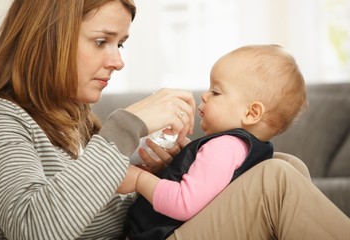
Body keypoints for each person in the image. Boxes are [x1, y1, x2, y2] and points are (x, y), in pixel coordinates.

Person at [0, 1, 196, 239]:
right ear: (48, 38)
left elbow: (96, 221)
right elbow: (34, 228)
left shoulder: (76, 120)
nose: (118, 62)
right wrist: (126, 126)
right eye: (101, 42)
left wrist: (152, 179)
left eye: (119, 44)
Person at [123, 45, 350, 240]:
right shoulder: (241, 148)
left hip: (160, 234)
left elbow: (183, 204)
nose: (204, 95)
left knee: (286, 167)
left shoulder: (222, 147)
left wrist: (140, 179)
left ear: (252, 113)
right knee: (289, 167)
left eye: (216, 91)